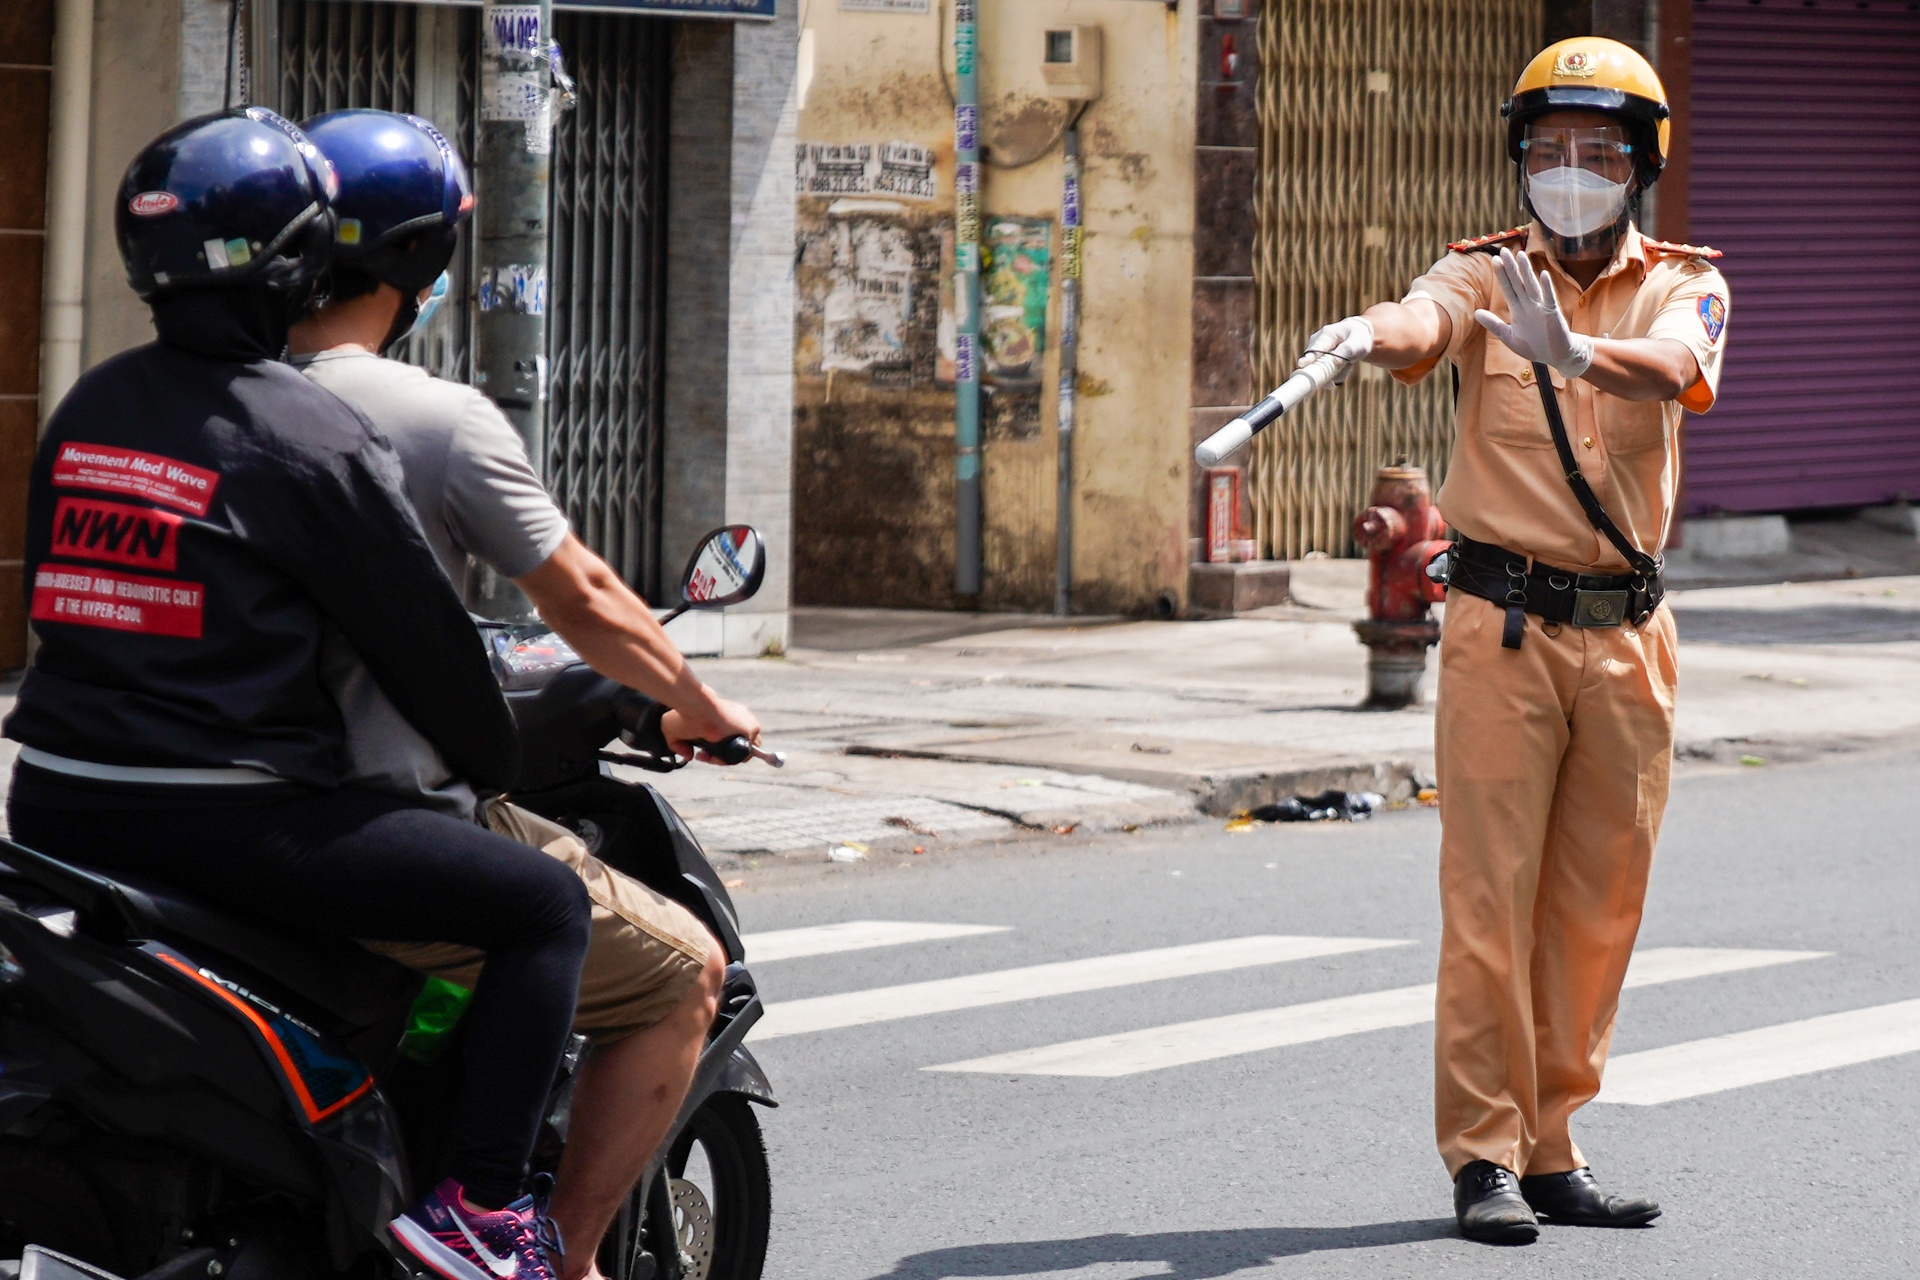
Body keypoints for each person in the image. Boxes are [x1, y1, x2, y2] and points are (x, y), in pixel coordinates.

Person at [0, 109, 592, 1280]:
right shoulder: (306, 432)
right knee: (540, 907)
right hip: (231, 822)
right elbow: (430, 656)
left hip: (55, 808)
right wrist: (501, 759)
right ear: (300, 259)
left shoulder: (92, 408)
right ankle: (482, 1209)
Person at [287, 108, 762, 1280]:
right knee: (675, 964)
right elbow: (587, 598)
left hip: (176, 807)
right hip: (355, 823)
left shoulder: (180, 402)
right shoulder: (428, 416)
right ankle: (540, 1253)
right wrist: (698, 701)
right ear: (427, 263)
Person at [1295, 39, 1729, 1243]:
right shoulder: (1485, 271)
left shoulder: (1685, 281)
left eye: (1597, 151)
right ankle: (1482, 1152)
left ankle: (1553, 1147)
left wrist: (1576, 351)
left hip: (1629, 637)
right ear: (1520, 163)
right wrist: (1360, 333)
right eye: (1548, 151)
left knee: (1597, 909)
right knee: (1491, 899)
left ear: (1642, 163)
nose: (1570, 171)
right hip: (1504, 628)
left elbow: (1681, 368)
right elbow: (1422, 318)